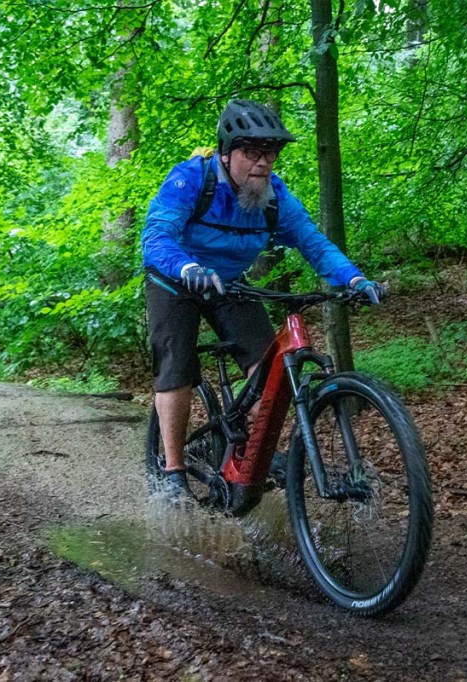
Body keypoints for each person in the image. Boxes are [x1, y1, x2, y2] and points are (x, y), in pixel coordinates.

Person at [141, 98, 384, 498]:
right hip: (175, 279)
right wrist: (187, 268)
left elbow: (312, 242)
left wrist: (354, 279)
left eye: (270, 152)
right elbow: (157, 237)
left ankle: (244, 448)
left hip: (229, 284)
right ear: (226, 152)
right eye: (252, 151)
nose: (263, 162)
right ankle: (173, 472)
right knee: (175, 367)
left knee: (268, 378)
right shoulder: (189, 181)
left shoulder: (275, 199)